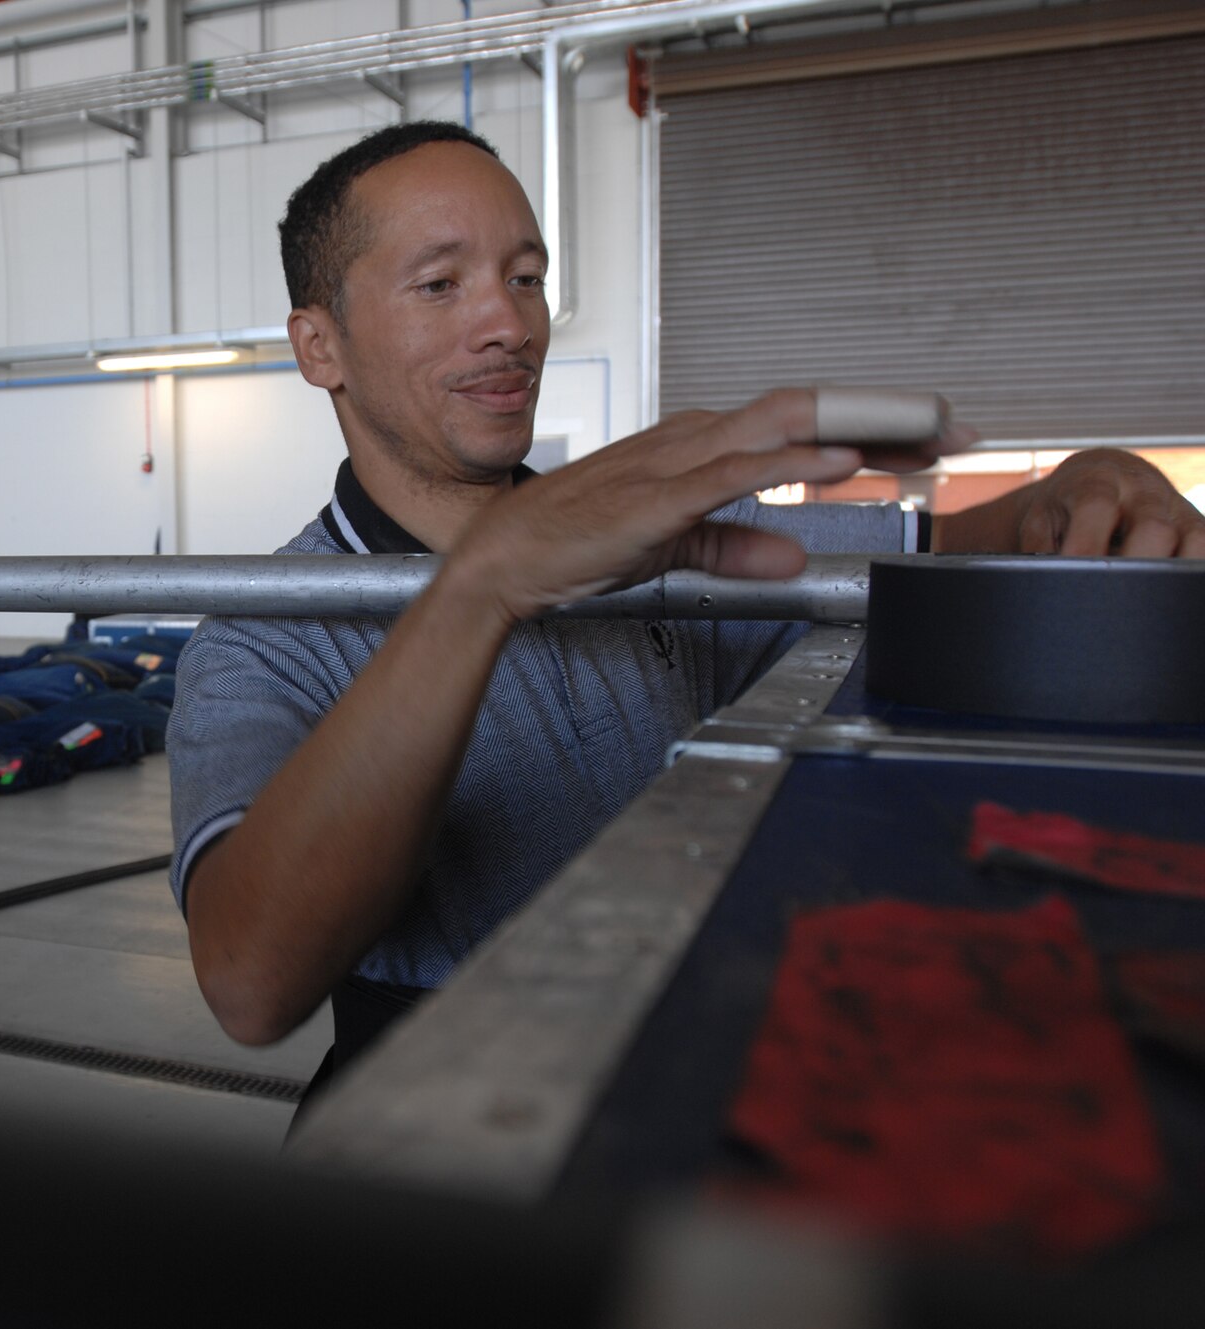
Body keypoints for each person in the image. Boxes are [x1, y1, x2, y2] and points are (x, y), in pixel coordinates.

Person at [163, 121, 1205, 1109]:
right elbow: (250, 981)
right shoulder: (261, 645)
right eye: (440, 284)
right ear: (319, 347)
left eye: (524, 279)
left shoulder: (670, 535)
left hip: (707, 1075)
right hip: (444, 1139)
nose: (507, 324)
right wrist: (482, 589)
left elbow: (960, 547)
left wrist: (1089, 477)